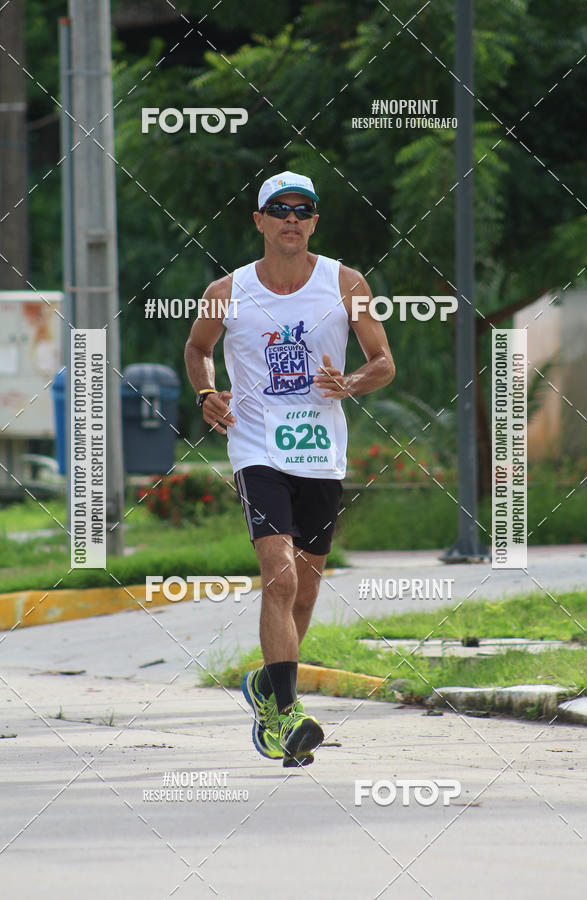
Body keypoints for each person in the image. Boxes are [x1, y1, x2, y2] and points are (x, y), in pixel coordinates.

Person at [184, 171, 394, 767]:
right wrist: (206, 394)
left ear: (315, 222)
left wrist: (349, 382)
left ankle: (269, 694)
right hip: (256, 447)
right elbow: (197, 350)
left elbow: (383, 362)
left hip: (320, 452)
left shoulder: (345, 282)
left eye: (304, 209)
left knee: (304, 590)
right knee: (279, 577)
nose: (292, 218)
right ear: (260, 222)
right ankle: (289, 712)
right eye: (279, 209)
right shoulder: (226, 291)